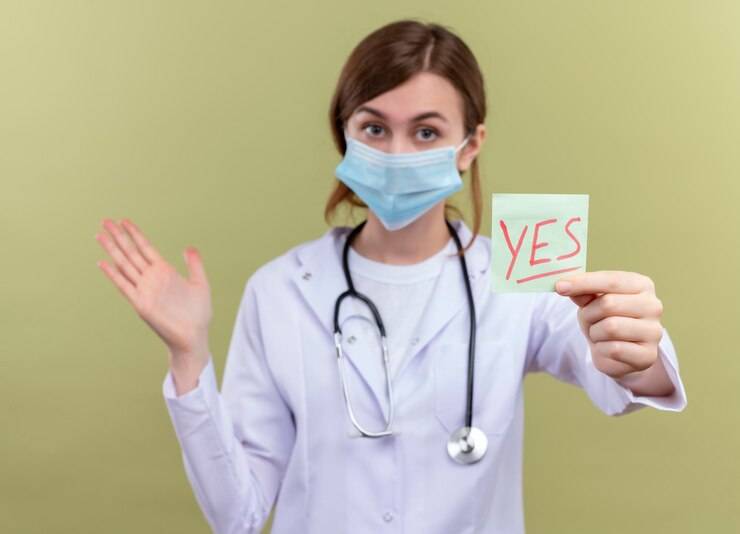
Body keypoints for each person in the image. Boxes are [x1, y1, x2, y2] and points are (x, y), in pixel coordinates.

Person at [94, 18, 687, 534]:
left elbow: (620, 377)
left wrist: (635, 349)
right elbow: (239, 515)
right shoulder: (280, 290)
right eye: (375, 128)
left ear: (469, 145)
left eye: (426, 132)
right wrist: (189, 356)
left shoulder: (519, 276)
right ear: (345, 134)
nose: (398, 154)